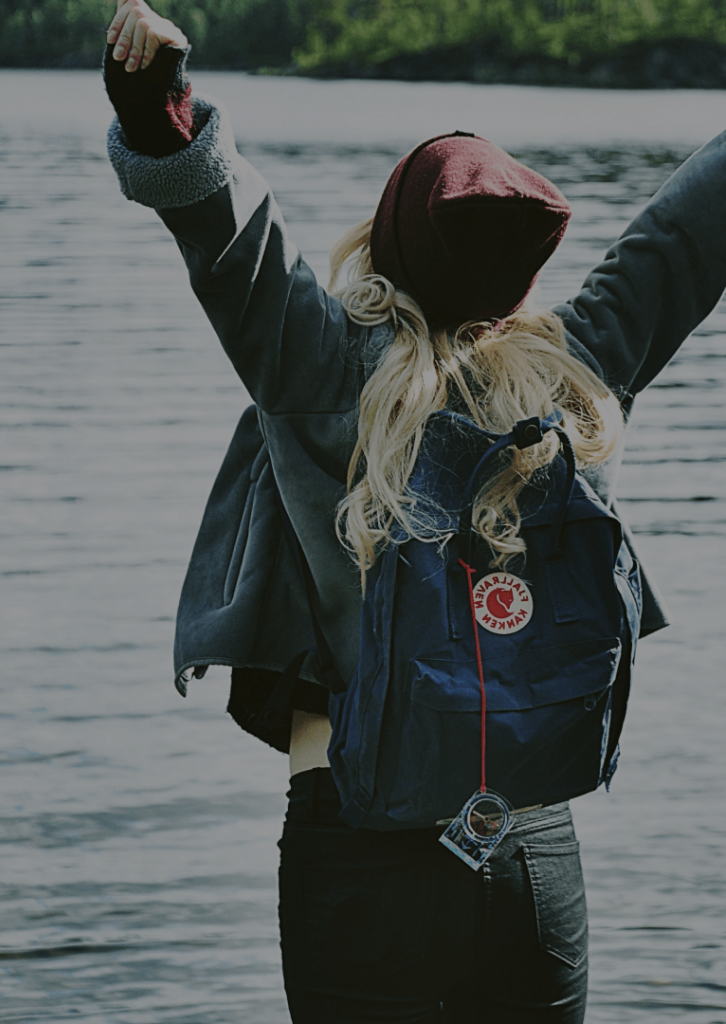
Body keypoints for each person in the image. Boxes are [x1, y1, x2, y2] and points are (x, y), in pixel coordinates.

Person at [103, 3, 726, 1020]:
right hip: (526, 848)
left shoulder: (316, 361)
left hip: (356, 851)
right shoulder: (575, 373)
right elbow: (684, 233)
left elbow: (225, 229)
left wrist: (157, 106)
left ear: (386, 240)